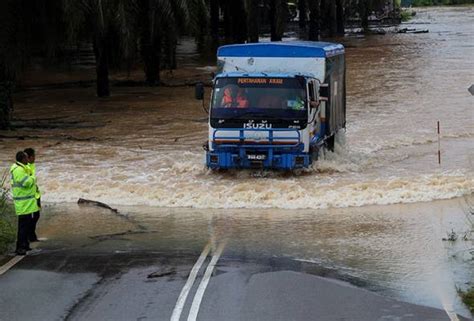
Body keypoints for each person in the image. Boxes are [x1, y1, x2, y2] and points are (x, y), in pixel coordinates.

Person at [10, 151, 39, 255]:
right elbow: (26, 182)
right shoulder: (18, 170)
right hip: (22, 203)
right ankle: (20, 247)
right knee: (22, 227)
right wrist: (33, 178)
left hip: (26, 203)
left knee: (25, 226)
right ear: (22, 159)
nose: (28, 160)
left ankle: (25, 245)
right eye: (26, 158)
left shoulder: (21, 168)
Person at [24, 148, 41, 242]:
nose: (35, 158)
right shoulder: (27, 167)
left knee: (36, 216)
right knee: (32, 217)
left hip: (35, 195)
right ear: (29, 157)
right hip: (30, 197)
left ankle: (31, 235)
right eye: (34, 156)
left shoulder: (31, 165)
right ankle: (31, 236)